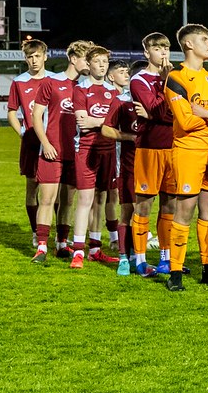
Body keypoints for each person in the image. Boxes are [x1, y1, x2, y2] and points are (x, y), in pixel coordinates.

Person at [163, 23, 208, 291]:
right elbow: (185, 121)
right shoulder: (176, 78)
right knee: (185, 210)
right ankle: (175, 272)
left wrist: (206, 113)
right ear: (189, 44)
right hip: (189, 150)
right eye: (205, 39)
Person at [31, 40, 93, 263]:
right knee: (47, 199)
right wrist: (46, 143)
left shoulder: (86, 87)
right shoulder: (51, 82)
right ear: (73, 59)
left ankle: (61, 243)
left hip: (76, 152)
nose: (89, 64)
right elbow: (36, 116)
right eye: (86, 59)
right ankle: (41, 246)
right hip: (52, 151)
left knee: (67, 201)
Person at [68, 45, 122, 269]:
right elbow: (83, 122)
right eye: (97, 61)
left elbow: (115, 124)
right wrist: (104, 123)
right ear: (88, 64)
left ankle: (95, 250)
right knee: (85, 200)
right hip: (86, 150)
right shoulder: (81, 89)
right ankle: (78, 251)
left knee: (101, 199)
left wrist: (97, 122)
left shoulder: (114, 92)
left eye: (105, 62)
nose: (101, 65)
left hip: (109, 150)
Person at [129, 32, 178, 276]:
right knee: (144, 204)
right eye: (157, 48)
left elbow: (181, 112)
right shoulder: (139, 80)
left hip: (175, 148)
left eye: (165, 48)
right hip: (149, 148)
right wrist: (166, 84)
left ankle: (165, 259)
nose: (163, 52)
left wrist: (155, 115)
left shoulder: (177, 76)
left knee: (170, 204)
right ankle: (139, 260)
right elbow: (160, 111)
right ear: (146, 52)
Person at [6, 38, 53, 242]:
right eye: (30, 57)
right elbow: (11, 112)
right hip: (32, 142)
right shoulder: (19, 82)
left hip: (53, 141)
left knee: (55, 189)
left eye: (37, 56)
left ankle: (59, 236)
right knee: (32, 186)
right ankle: (36, 232)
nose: (34, 60)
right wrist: (22, 133)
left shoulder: (55, 80)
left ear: (45, 57)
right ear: (25, 59)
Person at [102, 58, 144, 275]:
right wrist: (130, 137)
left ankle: (139, 256)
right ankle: (123, 258)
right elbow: (106, 129)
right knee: (128, 210)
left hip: (150, 164)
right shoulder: (121, 101)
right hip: (127, 165)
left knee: (143, 212)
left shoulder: (157, 100)